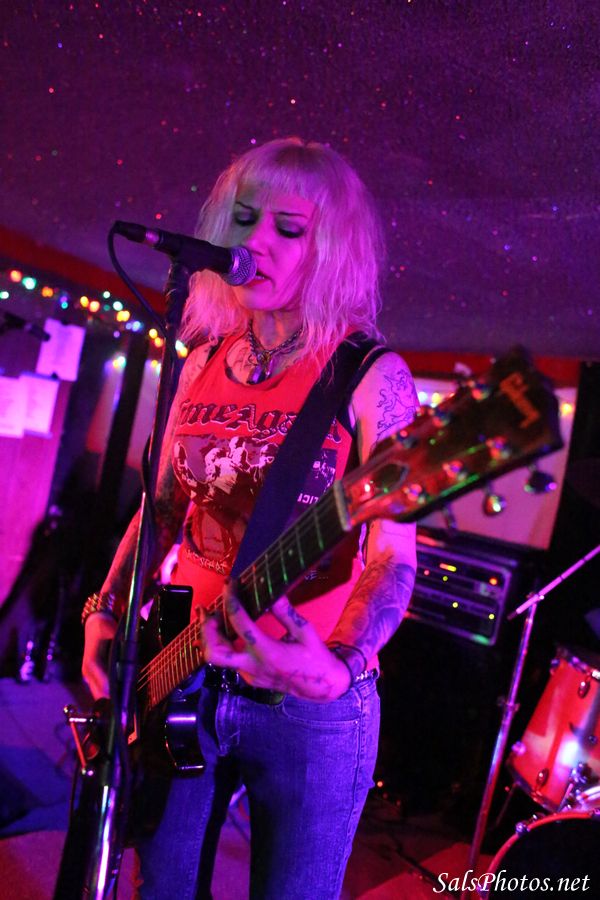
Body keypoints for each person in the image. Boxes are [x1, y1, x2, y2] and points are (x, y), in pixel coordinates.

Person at [82, 137, 418, 899]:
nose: (256, 241)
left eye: (288, 228)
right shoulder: (201, 362)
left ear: (330, 250)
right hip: (182, 667)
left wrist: (342, 664)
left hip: (310, 702)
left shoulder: (371, 377)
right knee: (161, 885)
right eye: (242, 219)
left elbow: (393, 555)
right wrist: (106, 607)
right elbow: (161, 510)